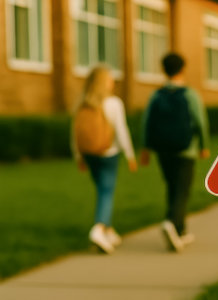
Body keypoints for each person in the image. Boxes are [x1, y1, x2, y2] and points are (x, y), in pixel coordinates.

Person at [141, 53, 210, 252]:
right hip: (186, 150)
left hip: (163, 150)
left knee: (172, 187)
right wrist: (204, 145)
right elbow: (200, 121)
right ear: (182, 69)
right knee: (183, 190)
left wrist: (145, 148)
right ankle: (171, 222)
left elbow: (147, 122)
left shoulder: (157, 95)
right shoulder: (190, 94)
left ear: (163, 70)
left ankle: (180, 232)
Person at [71, 65, 137, 254]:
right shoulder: (114, 103)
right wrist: (130, 154)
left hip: (89, 155)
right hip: (109, 153)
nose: (113, 82)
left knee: (101, 188)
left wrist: (78, 156)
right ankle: (99, 228)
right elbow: (121, 131)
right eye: (110, 79)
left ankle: (108, 230)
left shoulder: (82, 103)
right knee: (106, 191)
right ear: (104, 83)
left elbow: (74, 133)